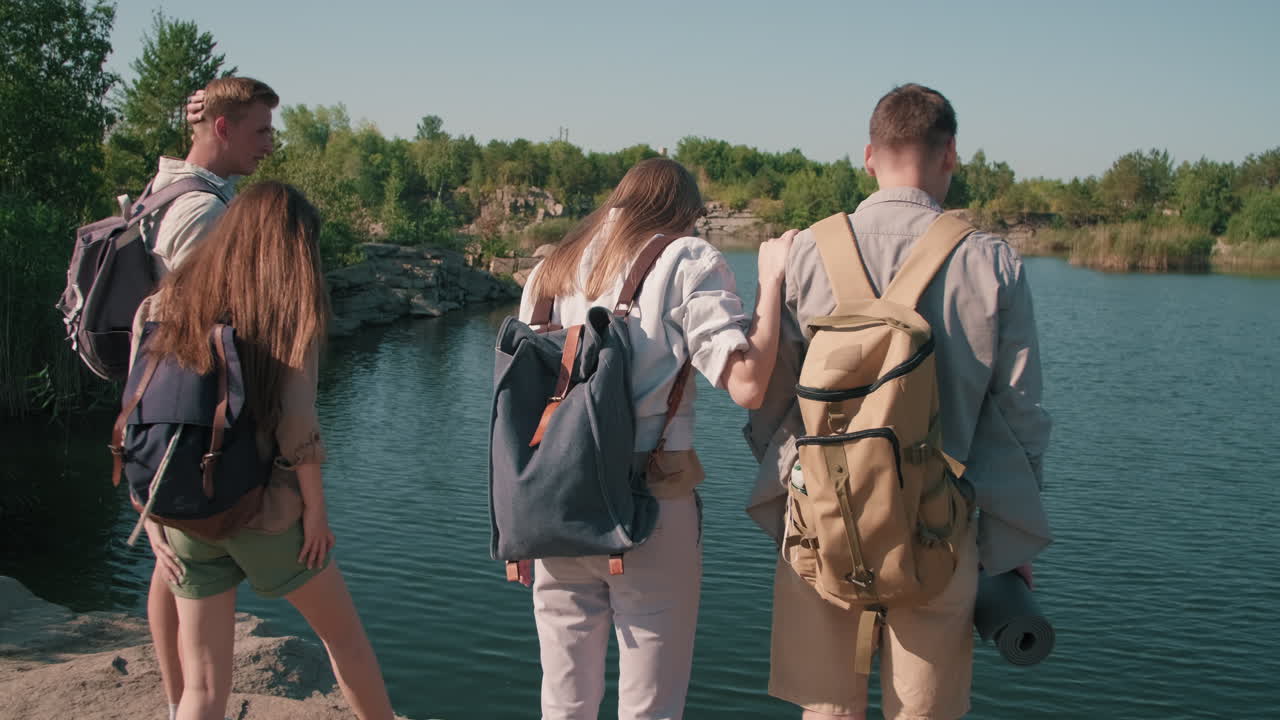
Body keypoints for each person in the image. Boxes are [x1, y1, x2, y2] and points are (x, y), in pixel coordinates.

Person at [745, 83, 1052, 720]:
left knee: (828, 710)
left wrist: (797, 495)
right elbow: (1021, 416)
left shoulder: (804, 253)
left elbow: (769, 405)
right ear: (951, 156)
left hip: (821, 525)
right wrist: (1010, 543)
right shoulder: (990, 261)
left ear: (868, 157)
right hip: (940, 530)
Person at [518, 157, 795, 719]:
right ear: (684, 215)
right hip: (650, 504)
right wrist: (772, 284)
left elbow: (520, 404)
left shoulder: (549, 270)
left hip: (552, 505)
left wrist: (519, 523)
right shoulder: (686, 258)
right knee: (651, 707)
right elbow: (746, 384)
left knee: (563, 701)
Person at [133, 182, 395, 720]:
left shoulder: (162, 302)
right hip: (265, 513)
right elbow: (298, 428)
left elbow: (138, 412)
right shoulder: (283, 314)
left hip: (185, 511)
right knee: (344, 641)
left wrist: (150, 514)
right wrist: (317, 516)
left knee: (203, 688)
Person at [136, 75, 279, 720]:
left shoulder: (169, 187)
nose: (270, 145)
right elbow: (197, 328)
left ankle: (179, 702)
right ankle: (183, 702)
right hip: (185, 415)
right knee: (179, 561)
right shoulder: (202, 211)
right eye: (260, 131)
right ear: (222, 128)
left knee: (175, 564)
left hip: (157, 407)